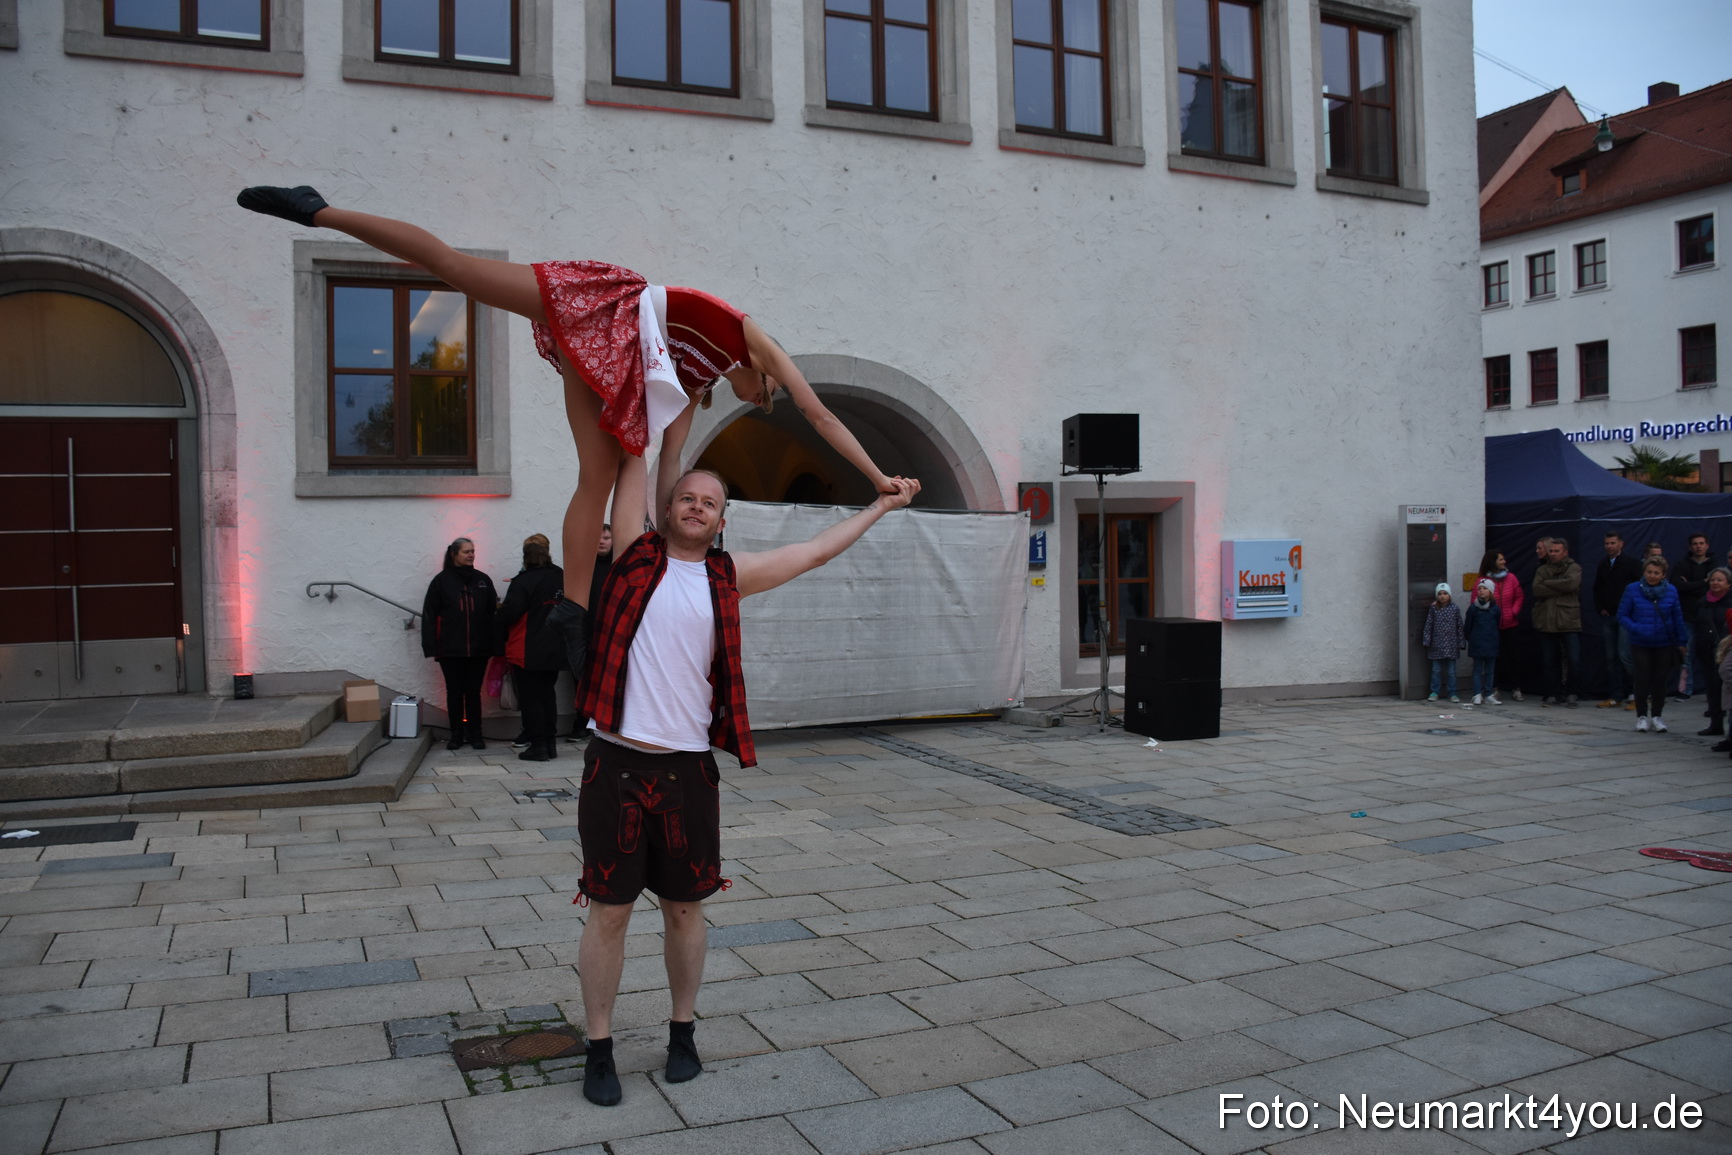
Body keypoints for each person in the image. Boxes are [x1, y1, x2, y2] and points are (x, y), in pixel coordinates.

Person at [236, 184, 908, 680]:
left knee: (602, 470)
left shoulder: (691, 386)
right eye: (765, 395)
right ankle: (318, 211)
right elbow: (820, 415)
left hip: (605, 360)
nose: (761, 400)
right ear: (762, 376)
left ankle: (575, 609)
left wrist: (666, 533)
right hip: (602, 308)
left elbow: (668, 467)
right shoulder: (752, 339)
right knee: (458, 269)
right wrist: (878, 477)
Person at [571, 468, 920, 1107]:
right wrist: (642, 418)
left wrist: (881, 506)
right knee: (610, 912)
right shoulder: (632, 559)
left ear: (722, 520)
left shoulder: (727, 578)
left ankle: (682, 1033)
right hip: (615, 765)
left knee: (685, 909)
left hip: (687, 770)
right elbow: (631, 461)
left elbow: (813, 552)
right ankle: (599, 1048)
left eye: (709, 502)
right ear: (666, 509)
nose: (696, 507)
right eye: (686, 498)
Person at [421, 537, 499, 750]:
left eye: (472, 551)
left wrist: (495, 644)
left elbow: (493, 614)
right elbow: (429, 615)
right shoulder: (441, 581)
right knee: (454, 692)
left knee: (473, 692)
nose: (471, 555)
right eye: (466, 551)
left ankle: (476, 733)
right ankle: (456, 733)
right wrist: (431, 646)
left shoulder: (482, 580)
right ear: (454, 554)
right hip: (450, 649)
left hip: (479, 649)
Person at [496, 535, 566, 762]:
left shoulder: (523, 581)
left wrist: (497, 614)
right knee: (548, 695)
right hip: (555, 645)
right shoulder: (560, 577)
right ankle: (550, 744)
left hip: (527, 647)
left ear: (525, 558)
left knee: (531, 698)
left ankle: (538, 747)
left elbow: (510, 614)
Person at [1618, 556, 1687, 732]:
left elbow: (1677, 617)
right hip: (1640, 642)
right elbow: (1622, 615)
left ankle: (1657, 715)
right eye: (1649, 572)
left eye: (1656, 573)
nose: (1652, 576)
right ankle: (1641, 716)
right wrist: (1636, 628)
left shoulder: (1671, 591)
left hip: (1664, 642)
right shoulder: (1632, 589)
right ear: (1644, 572)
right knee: (1641, 679)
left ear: (1663, 574)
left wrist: (1682, 641)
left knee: (1660, 680)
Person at [1531, 537, 1583, 706]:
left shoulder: (1574, 568)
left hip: (1568, 620)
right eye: (1551, 551)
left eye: (1556, 551)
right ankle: (1553, 692)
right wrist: (1561, 588)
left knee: (1574, 660)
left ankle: (1572, 692)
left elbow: (1571, 585)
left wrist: (1549, 584)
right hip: (1547, 620)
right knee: (1549, 661)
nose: (1553, 554)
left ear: (1565, 552)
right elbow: (1537, 590)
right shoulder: (1542, 569)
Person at [1592, 532, 1641, 708]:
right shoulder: (1603, 564)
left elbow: (1639, 589)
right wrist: (1600, 607)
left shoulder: (1632, 564)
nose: (1609, 546)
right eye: (1607, 543)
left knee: (1625, 655)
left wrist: (1631, 611)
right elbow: (1597, 588)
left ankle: (1638, 694)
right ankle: (1616, 695)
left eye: (1613, 543)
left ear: (1621, 544)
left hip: (1625, 618)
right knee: (1611, 658)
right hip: (1609, 616)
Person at [1477, 550, 1525, 701]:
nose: (1504, 562)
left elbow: (1519, 596)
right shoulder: (1483, 581)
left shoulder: (1511, 578)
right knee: (1494, 657)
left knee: (1514, 657)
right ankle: (1494, 687)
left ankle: (1516, 688)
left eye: (1504, 559)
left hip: (1510, 623)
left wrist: (1513, 611)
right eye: (1501, 559)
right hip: (1492, 625)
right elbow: (1476, 601)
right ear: (1493, 562)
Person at [1672, 533, 1714, 700]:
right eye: (1695, 544)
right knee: (1686, 655)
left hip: (1708, 618)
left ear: (1707, 546)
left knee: (1711, 655)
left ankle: (1713, 691)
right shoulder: (1682, 564)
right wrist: (1702, 582)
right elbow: (1677, 586)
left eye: (1701, 543)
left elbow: (1714, 588)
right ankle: (1685, 690)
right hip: (1687, 616)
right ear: (1690, 547)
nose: (1698, 546)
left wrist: (1689, 585)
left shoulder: (1714, 565)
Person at [1694, 567, 1731, 737]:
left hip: (1726, 651)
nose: (1715, 583)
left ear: (1729, 584)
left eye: (1720, 580)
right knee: (1712, 688)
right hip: (1706, 650)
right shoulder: (1702, 602)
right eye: (1713, 580)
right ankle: (1715, 724)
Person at [1422, 583, 1465, 703]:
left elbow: (1459, 626)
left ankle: (1452, 693)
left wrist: (1461, 642)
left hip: (1451, 645)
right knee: (1436, 670)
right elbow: (1429, 625)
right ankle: (1434, 691)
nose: (1442, 596)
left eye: (1445, 593)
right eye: (1440, 594)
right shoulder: (1434, 609)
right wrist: (1427, 640)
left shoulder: (1454, 608)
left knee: (1451, 672)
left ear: (1449, 595)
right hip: (1436, 645)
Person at [1464, 578, 1502, 705]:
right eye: (1479, 588)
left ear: (1490, 591)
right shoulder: (1473, 609)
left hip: (1491, 643)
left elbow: (1497, 624)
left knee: (1490, 670)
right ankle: (1477, 693)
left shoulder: (1495, 609)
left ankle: (1488, 693)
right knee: (1477, 669)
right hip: (1477, 643)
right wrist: (1471, 639)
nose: (1481, 591)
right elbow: (1468, 626)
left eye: (1485, 588)